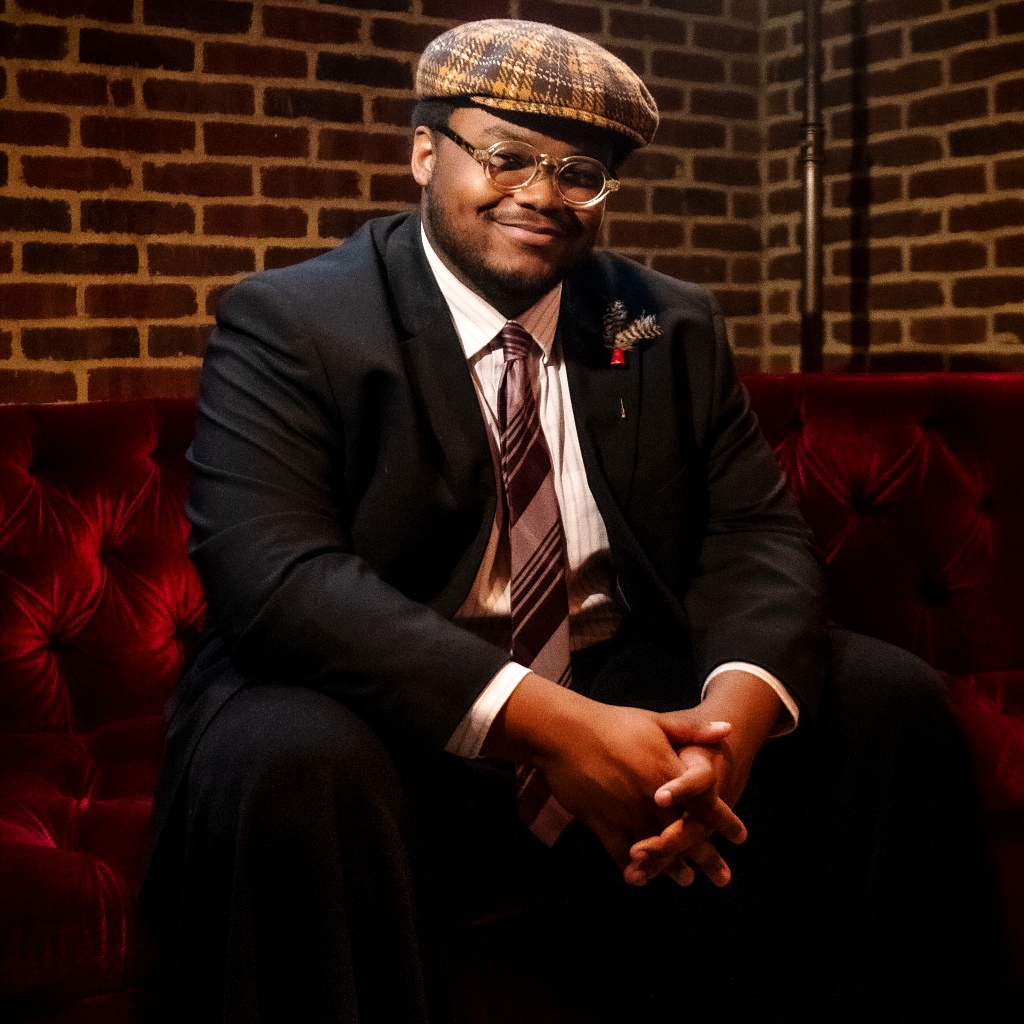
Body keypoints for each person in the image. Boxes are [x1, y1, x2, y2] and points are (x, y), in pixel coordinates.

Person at [143, 19, 1005, 1024]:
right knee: (291, 762)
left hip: (610, 664)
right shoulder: (290, 320)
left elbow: (751, 536)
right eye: (505, 155)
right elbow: (276, 578)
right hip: (380, 686)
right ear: (425, 152)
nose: (543, 194)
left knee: (890, 699)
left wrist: (722, 736)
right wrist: (562, 733)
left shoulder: (666, 320)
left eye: (579, 171)